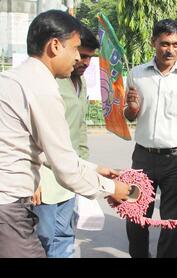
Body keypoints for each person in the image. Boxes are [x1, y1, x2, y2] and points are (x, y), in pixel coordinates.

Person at [0, 10, 129, 258]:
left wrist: (93, 168)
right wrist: (114, 189)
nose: (78, 59)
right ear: (55, 46)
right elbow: (65, 168)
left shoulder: (14, 78)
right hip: (9, 205)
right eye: (76, 49)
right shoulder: (43, 88)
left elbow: (39, 150)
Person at [124, 19, 177, 258]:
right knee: (136, 214)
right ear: (153, 43)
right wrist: (131, 107)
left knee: (172, 221)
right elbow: (130, 115)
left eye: (176, 44)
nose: (170, 49)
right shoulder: (136, 74)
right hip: (142, 157)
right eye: (164, 44)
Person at [31, 25, 100, 258]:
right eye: (82, 55)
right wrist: (33, 178)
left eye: (90, 57)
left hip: (70, 177)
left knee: (65, 235)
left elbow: (80, 130)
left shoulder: (80, 83)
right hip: (45, 178)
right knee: (43, 238)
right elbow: (30, 133)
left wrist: (85, 172)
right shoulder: (49, 82)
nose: (85, 62)